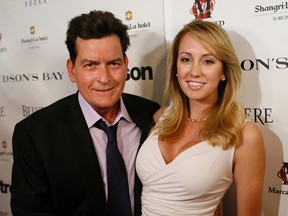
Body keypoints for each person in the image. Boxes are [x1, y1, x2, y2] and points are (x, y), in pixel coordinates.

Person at [10, 10, 159, 216]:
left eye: (113, 63)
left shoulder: (151, 115)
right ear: (72, 70)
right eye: (90, 65)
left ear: (126, 65)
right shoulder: (36, 135)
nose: (104, 78)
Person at [136, 20, 265, 216]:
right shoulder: (161, 117)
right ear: (176, 68)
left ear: (224, 71)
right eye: (186, 59)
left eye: (208, 61)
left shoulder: (245, 136)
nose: (194, 72)